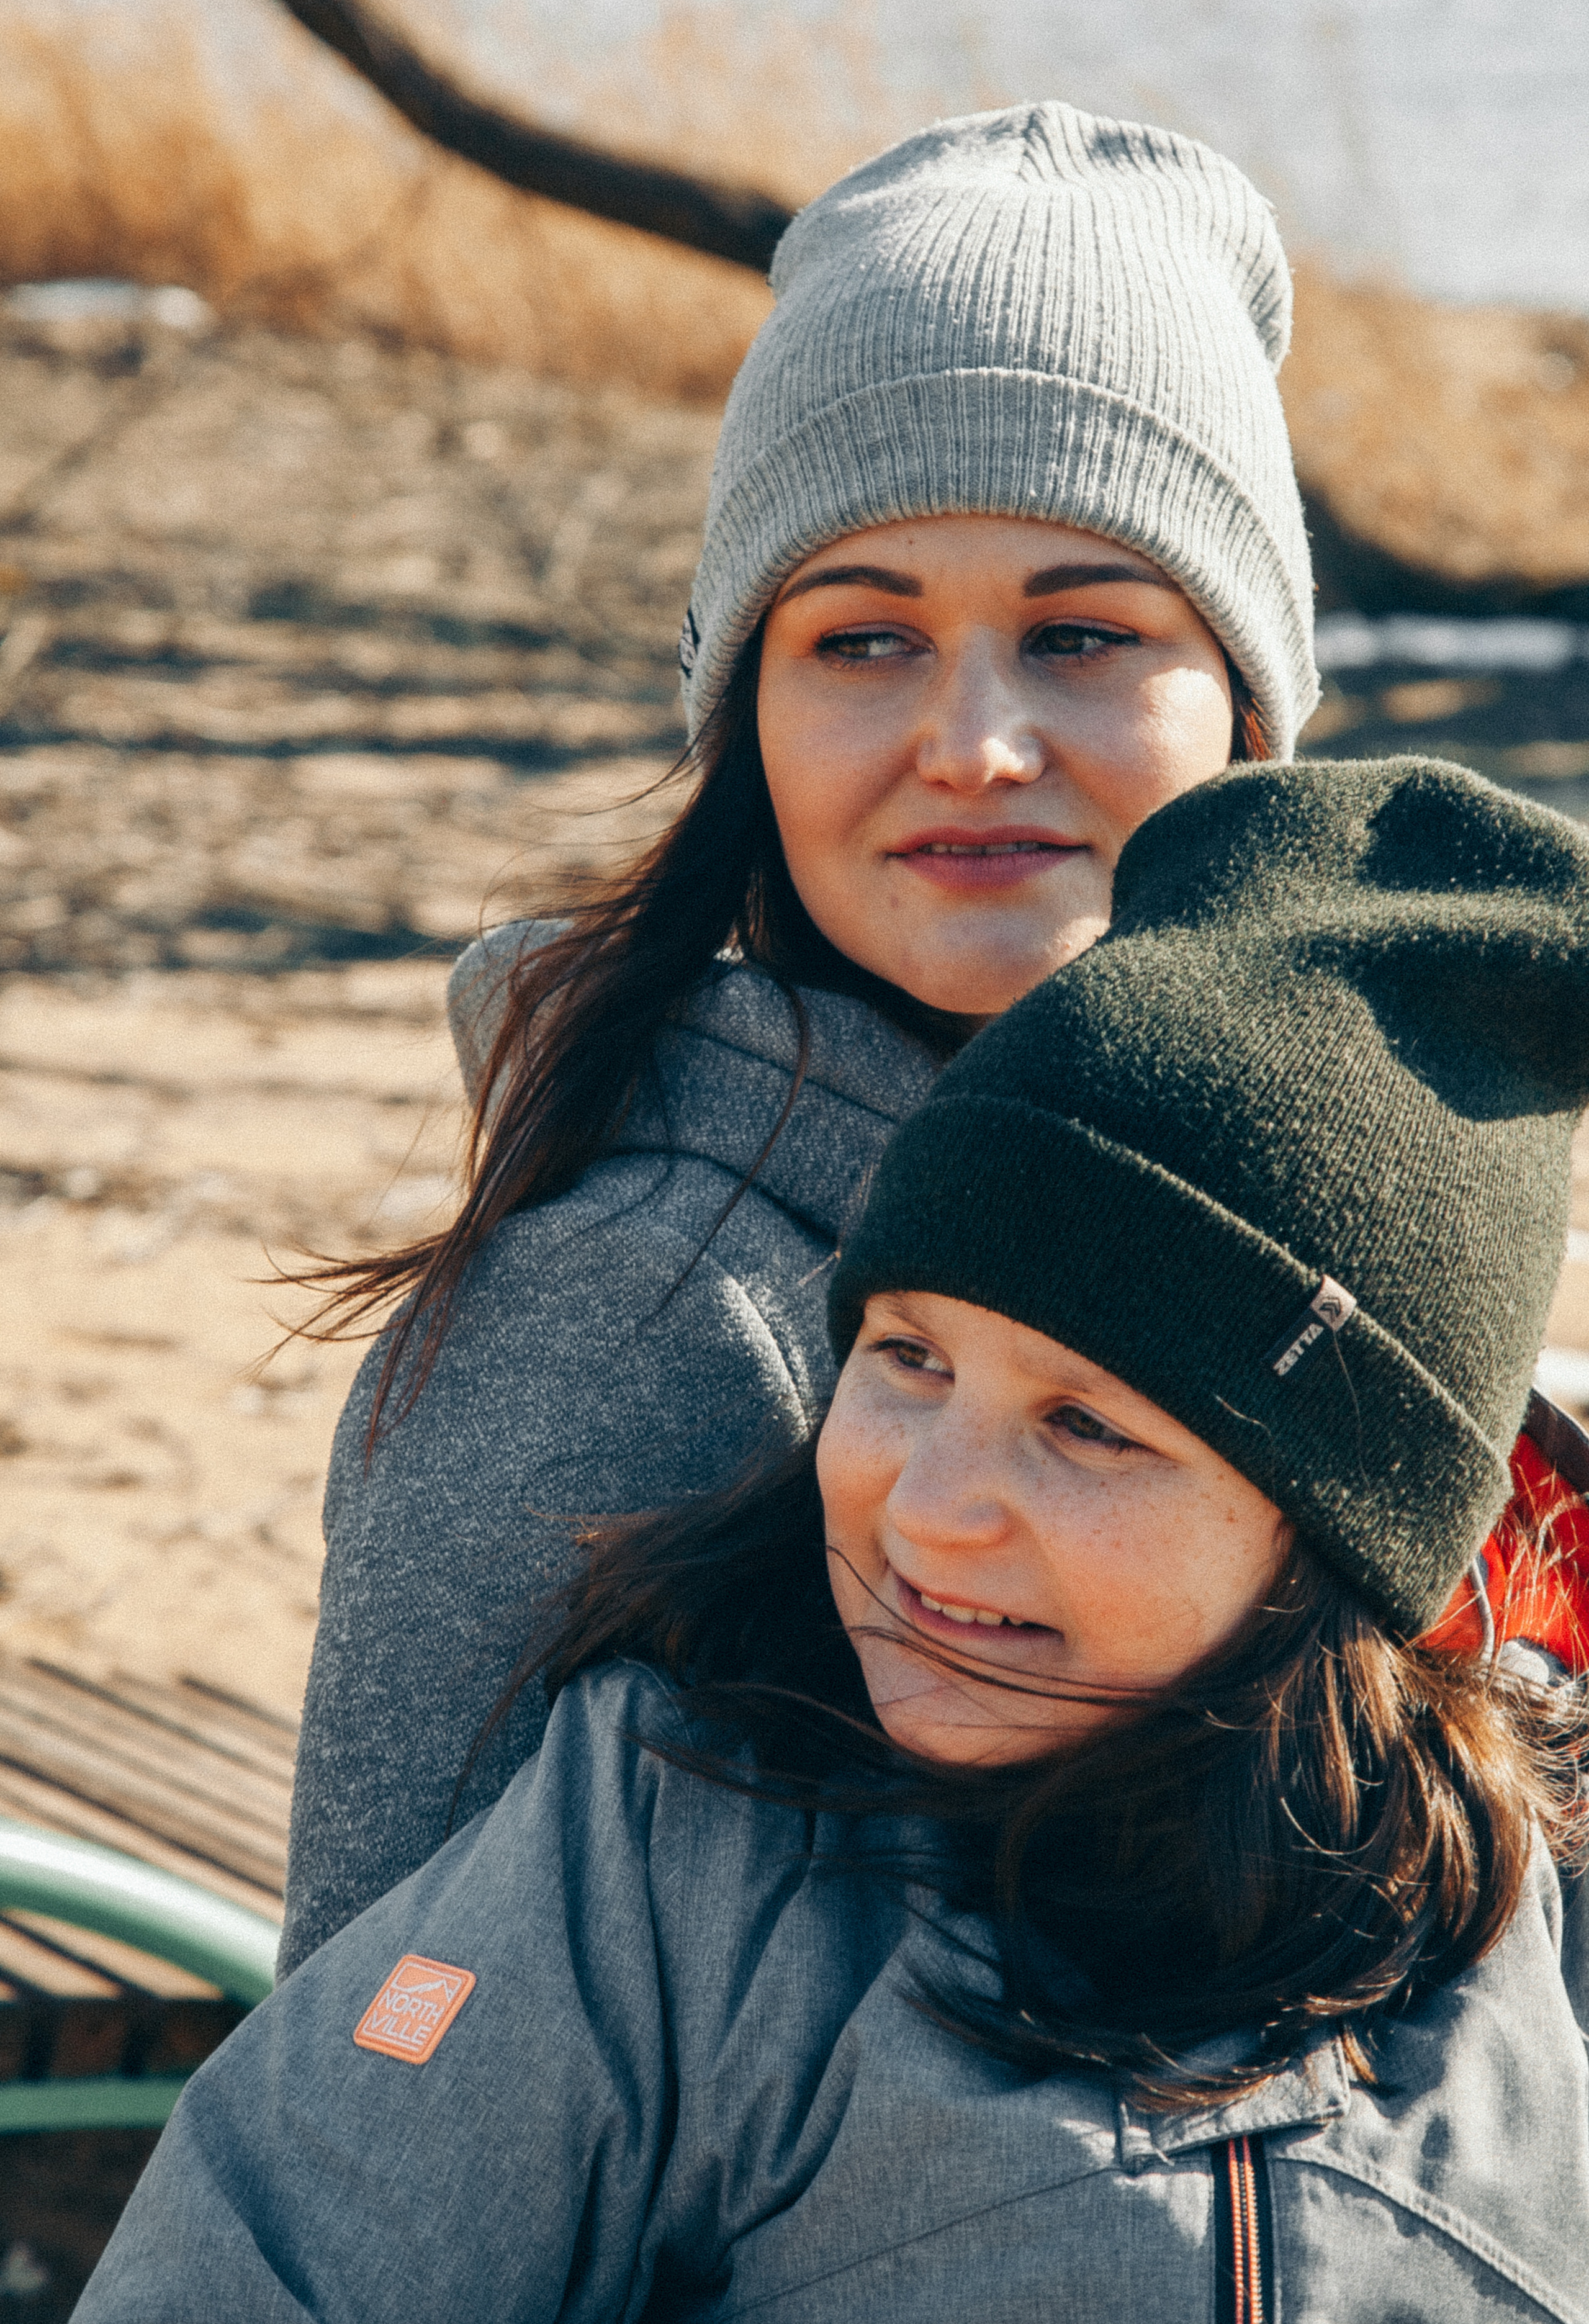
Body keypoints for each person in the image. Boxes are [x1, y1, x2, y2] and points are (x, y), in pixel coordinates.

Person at [81, 758, 1589, 2321]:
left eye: (1086, 1427)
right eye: (905, 1359)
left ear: (1341, 1534)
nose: (930, 1503)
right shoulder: (680, 1857)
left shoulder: (1528, 1929)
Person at [279, 97, 1322, 1973]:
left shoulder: (1329, 1260)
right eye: (862, 638)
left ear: (1244, 704)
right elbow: (372, 2120)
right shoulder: (629, 1316)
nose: (975, 740)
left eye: (1083, 633)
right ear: (744, 712)